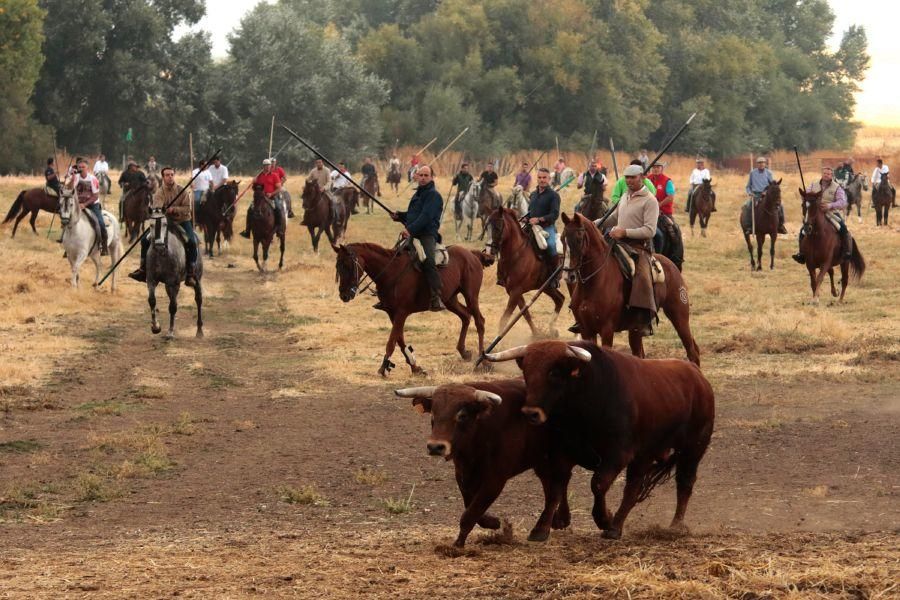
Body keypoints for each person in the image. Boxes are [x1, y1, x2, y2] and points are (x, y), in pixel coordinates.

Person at [602, 164, 660, 336]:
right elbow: (613, 218)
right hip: (617, 242)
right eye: (626, 177)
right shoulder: (625, 196)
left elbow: (650, 230)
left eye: (632, 177)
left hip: (638, 247)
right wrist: (594, 223)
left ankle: (642, 319)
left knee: (641, 276)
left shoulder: (650, 200)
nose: (629, 181)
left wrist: (625, 232)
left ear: (641, 177)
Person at [128, 167, 198, 287]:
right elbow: (157, 209)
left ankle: (190, 273)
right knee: (145, 240)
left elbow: (187, 209)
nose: (170, 177)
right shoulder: (159, 193)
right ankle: (143, 269)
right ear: (163, 177)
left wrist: (173, 209)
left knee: (191, 242)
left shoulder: (182, 191)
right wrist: (162, 211)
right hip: (164, 221)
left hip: (182, 221)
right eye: (167, 175)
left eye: (171, 174)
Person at [390, 166, 445, 311]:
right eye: (420, 175)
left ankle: (436, 297)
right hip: (413, 234)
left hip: (427, 235)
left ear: (432, 177)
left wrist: (409, 229)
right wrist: (400, 216)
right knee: (395, 257)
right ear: (416, 176)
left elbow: (425, 217)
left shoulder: (434, 195)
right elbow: (413, 215)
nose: (423, 177)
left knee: (428, 261)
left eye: (426, 175)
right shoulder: (418, 194)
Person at [792, 166, 852, 263]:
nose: (826, 175)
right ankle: (801, 253)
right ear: (822, 174)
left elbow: (842, 202)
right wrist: (804, 198)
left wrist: (830, 205)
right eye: (825, 173)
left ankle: (846, 251)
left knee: (842, 227)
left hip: (831, 212)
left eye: (828, 174)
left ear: (831, 175)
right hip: (815, 213)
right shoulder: (813, 185)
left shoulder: (837, 187)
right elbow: (806, 196)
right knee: (803, 230)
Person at [527, 168, 562, 288]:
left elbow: (554, 215)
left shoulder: (554, 196)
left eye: (544, 178)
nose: (542, 180)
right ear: (537, 178)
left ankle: (554, 276)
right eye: (540, 178)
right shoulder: (533, 194)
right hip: (531, 227)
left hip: (547, 227)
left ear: (549, 179)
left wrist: (539, 219)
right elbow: (529, 212)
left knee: (551, 246)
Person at [68, 158, 108, 256]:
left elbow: (95, 196)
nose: (81, 168)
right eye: (79, 167)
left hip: (92, 204)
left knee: (100, 223)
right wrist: (72, 179)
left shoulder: (93, 179)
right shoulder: (76, 177)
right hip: (78, 204)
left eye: (83, 167)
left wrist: (85, 205)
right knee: (67, 220)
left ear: (87, 168)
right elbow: (69, 188)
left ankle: (104, 245)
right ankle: (67, 244)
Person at [239, 158, 283, 238]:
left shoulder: (274, 175)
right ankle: (247, 230)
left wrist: (271, 193)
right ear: (263, 166)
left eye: (269, 165)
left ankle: (279, 230)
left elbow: (279, 188)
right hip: (260, 198)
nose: (268, 167)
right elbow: (254, 188)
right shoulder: (259, 176)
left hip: (271, 197)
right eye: (266, 165)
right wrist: (254, 182)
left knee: (278, 209)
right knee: (249, 210)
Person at [744, 157, 787, 234]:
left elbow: (772, 185)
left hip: (767, 195)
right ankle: (749, 226)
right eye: (759, 163)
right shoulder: (752, 173)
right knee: (747, 205)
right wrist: (750, 193)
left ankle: (781, 225)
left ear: (765, 164)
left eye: (763, 163)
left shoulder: (769, 173)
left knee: (781, 205)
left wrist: (766, 191)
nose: (761, 164)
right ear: (757, 164)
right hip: (755, 194)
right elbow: (748, 186)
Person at [648, 162, 677, 252]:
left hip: (664, 213)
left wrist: (658, 205)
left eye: (658, 167)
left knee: (674, 231)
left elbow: (670, 197)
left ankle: (676, 253)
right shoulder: (647, 179)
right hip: (647, 212)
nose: (655, 169)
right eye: (654, 167)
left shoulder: (667, 181)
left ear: (662, 169)